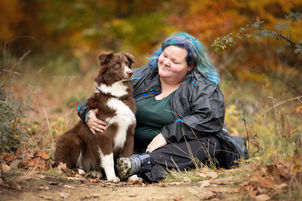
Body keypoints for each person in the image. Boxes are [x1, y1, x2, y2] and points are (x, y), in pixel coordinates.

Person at [77, 32, 248, 182]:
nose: (165, 62)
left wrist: (167, 135)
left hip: (176, 148)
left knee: (212, 143)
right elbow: (95, 98)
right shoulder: (142, 76)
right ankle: (131, 165)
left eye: (174, 61)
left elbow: (209, 118)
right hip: (130, 147)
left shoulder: (203, 87)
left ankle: (143, 164)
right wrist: (88, 114)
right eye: (164, 55)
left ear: (190, 66)